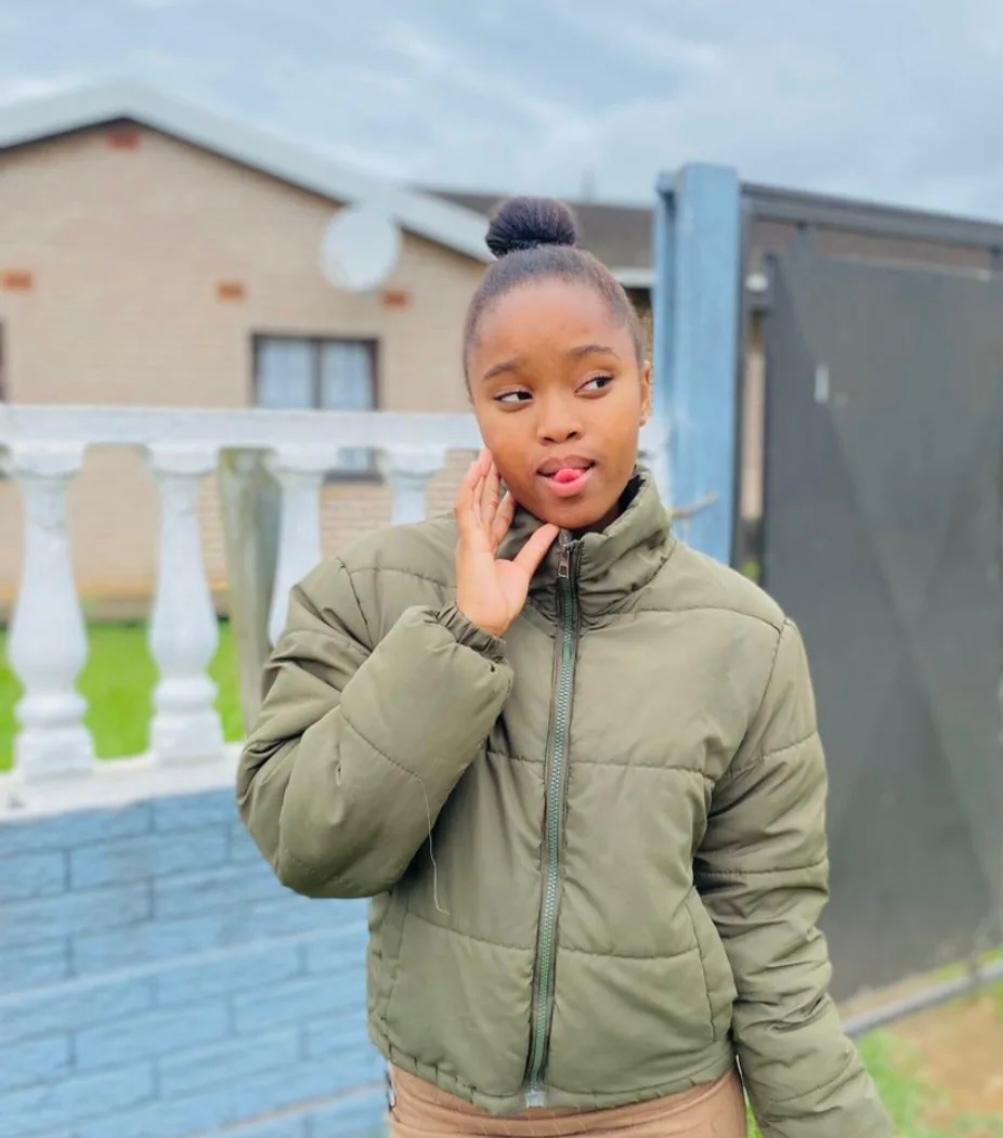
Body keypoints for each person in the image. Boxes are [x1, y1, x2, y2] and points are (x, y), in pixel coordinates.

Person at [235, 196, 894, 1138]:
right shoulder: (367, 593)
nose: (556, 423)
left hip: (669, 1110)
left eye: (593, 383)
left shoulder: (745, 638)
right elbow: (306, 843)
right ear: (475, 407)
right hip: (447, 1113)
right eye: (514, 396)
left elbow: (769, 931)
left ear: (643, 387)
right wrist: (460, 637)